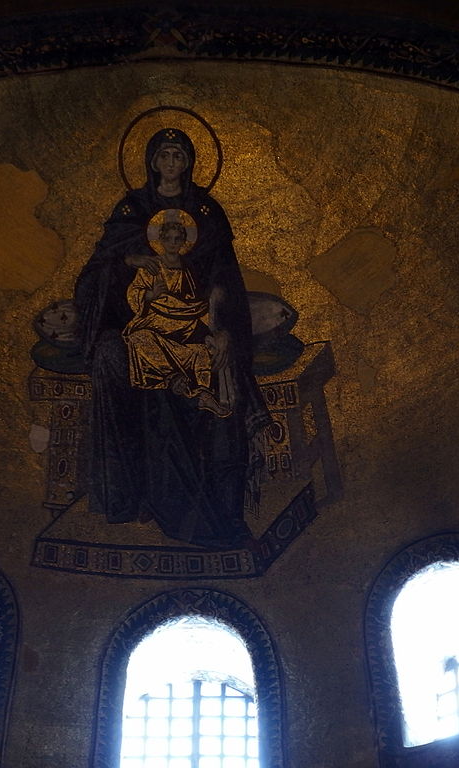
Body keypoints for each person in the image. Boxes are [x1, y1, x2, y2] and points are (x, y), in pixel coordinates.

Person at [74, 127, 269, 549]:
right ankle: (128, 493)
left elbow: (224, 279)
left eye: (179, 156)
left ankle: (226, 513)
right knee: (113, 356)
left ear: (190, 163)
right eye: (164, 155)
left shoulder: (207, 211)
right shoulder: (131, 210)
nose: (171, 163)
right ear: (150, 161)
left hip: (197, 325)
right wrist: (129, 260)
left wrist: (219, 325)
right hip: (141, 326)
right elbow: (95, 276)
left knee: (221, 374)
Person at [123, 213, 231, 418]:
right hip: (156, 321)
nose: (173, 243)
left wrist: (209, 328)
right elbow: (134, 291)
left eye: (177, 239)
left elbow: (194, 302)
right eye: (168, 238)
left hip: (185, 322)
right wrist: (150, 295)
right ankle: (172, 378)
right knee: (138, 339)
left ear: (183, 241)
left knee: (200, 351)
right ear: (161, 240)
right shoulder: (152, 266)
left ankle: (205, 396)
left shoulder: (188, 268)